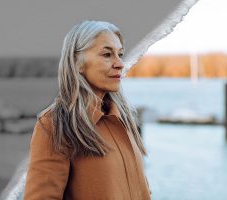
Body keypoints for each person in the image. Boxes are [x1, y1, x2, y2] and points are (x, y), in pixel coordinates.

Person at [23, 20, 151, 200]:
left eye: (120, 54)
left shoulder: (123, 119)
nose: (120, 63)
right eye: (107, 54)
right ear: (77, 62)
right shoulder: (54, 124)